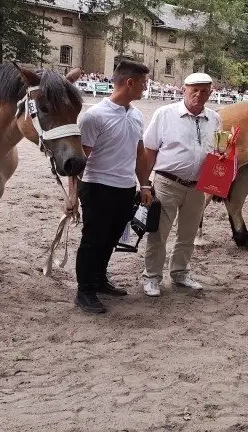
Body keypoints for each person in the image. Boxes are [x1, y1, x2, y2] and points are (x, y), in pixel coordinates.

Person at [74, 60, 152, 314]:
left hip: (124, 187)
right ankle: (84, 290)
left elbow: (139, 154)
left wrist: (144, 185)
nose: (145, 87)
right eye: (143, 82)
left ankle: (99, 279)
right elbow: (81, 158)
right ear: (129, 82)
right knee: (93, 240)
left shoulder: (137, 115)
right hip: (97, 186)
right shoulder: (94, 116)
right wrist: (72, 194)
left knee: (110, 238)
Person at [138, 72, 221, 296]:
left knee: (188, 233)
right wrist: (145, 184)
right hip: (167, 182)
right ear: (183, 89)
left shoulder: (214, 118)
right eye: (194, 89)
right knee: (159, 233)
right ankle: (152, 276)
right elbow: (150, 150)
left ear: (210, 93)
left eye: (204, 91)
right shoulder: (164, 114)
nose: (198, 95)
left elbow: (216, 152)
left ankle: (180, 271)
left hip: (198, 186)